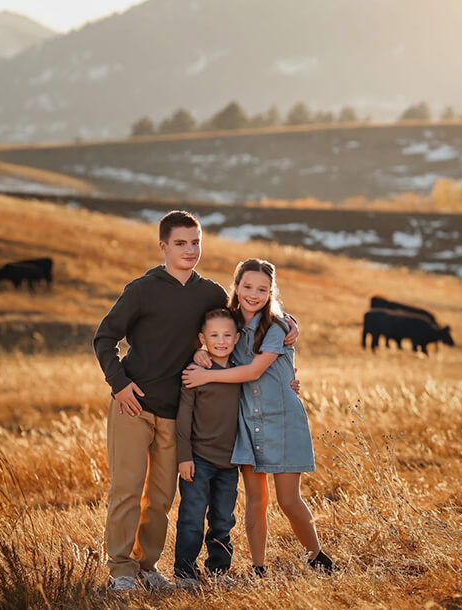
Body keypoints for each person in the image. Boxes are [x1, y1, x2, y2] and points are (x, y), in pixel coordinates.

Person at [93, 211, 298, 593]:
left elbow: (250, 314)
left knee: (161, 497)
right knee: (127, 488)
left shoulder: (210, 294)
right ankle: (121, 570)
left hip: (177, 412)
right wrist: (119, 384)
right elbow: (103, 339)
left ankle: (147, 566)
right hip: (133, 405)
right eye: (181, 243)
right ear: (163, 247)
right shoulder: (142, 289)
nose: (190, 250)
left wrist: (290, 325)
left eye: (196, 242)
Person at [183, 258, 335, 577]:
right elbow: (214, 342)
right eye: (247, 286)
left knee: (289, 500)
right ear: (235, 286)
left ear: (271, 292)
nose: (254, 294)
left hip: (283, 421)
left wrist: (206, 376)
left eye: (262, 289)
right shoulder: (229, 325)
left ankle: (317, 557)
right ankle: (259, 568)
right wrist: (202, 353)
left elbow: (253, 370)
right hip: (248, 425)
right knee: (256, 500)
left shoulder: (278, 327)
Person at [174, 308, 242, 589]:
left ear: (237, 338)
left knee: (223, 520)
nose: (221, 340)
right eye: (214, 335)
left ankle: (218, 571)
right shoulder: (195, 371)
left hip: (231, 462)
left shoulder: (241, 370)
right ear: (202, 338)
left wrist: (292, 384)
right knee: (191, 517)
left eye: (227, 335)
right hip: (199, 460)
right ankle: (185, 573)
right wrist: (184, 456)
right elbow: (183, 417)